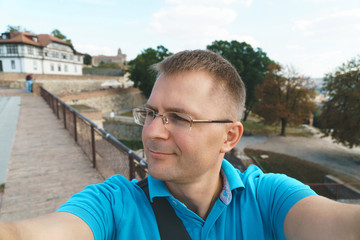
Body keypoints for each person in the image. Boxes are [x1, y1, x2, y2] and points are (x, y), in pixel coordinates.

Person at [1, 50, 360, 240]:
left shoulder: (269, 199)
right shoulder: (112, 204)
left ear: (229, 137)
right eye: (152, 112)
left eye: (180, 117)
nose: (154, 131)